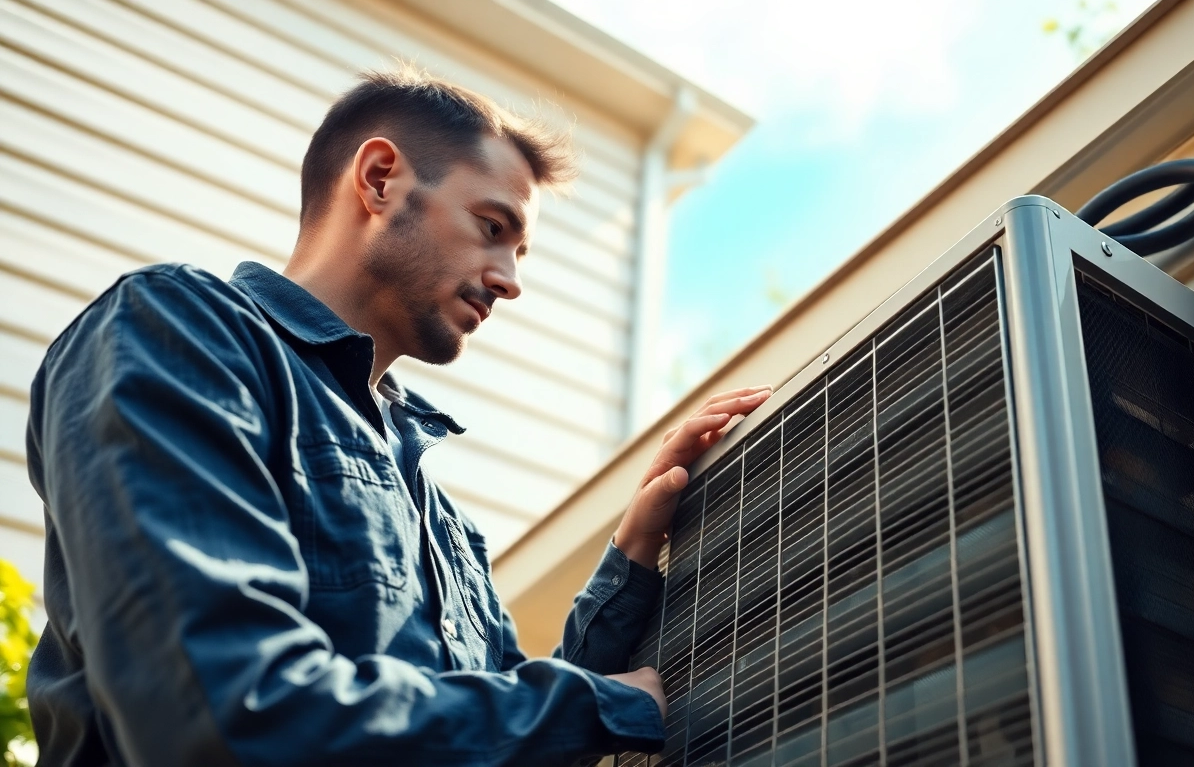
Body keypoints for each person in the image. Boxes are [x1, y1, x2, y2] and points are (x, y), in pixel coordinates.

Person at [24, 67, 770, 766]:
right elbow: (222, 712)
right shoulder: (179, 331)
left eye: (521, 251)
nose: (510, 282)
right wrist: (596, 707)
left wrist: (634, 555)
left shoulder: (444, 523)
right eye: (491, 227)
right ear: (381, 180)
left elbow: (498, 722)